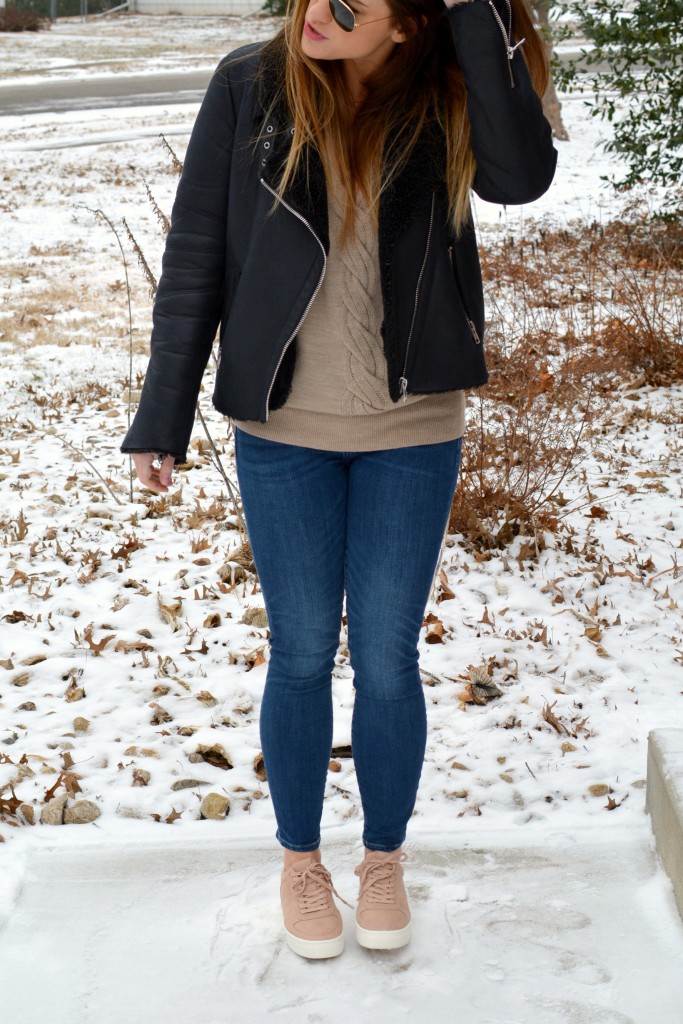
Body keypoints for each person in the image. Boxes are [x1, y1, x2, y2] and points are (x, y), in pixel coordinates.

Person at [121, 0, 556, 960]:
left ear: (406, 26)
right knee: (305, 649)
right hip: (283, 425)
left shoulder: (446, 95)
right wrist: (163, 413)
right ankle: (301, 860)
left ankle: (385, 858)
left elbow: (522, 179)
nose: (318, 13)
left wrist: (478, 17)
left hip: (412, 426)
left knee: (391, 658)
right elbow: (194, 255)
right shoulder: (251, 83)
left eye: (352, 7)